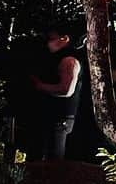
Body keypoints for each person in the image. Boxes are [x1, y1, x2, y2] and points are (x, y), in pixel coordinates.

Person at [29, 24, 84, 161]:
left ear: (64, 39)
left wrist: (40, 86)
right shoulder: (57, 58)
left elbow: (66, 89)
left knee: (53, 162)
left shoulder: (69, 60)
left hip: (60, 118)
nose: (48, 42)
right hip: (51, 116)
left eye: (51, 38)